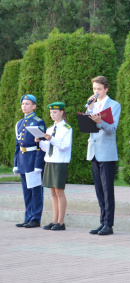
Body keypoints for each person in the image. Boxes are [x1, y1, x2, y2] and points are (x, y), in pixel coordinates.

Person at [86, 76, 121, 236]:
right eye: (94, 89)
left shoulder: (114, 105)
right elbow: (87, 124)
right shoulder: (92, 105)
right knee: (99, 189)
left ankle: (109, 224)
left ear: (106, 89)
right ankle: (102, 222)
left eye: (99, 89)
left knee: (108, 189)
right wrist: (88, 110)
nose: (96, 92)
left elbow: (112, 128)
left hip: (106, 151)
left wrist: (100, 122)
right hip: (93, 150)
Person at [37, 102, 72, 231]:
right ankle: (54, 220)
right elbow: (47, 148)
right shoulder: (50, 128)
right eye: (51, 113)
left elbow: (64, 146)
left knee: (59, 191)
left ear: (62, 112)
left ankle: (61, 222)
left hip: (60, 162)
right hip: (50, 161)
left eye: (55, 112)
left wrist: (51, 139)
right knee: (52, 192)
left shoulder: (67, 128)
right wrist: (40, 141)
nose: (53, 115)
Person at [13, 94, 46, 228]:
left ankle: (36, 218)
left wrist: (39, 164)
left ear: (34, 106)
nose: (24, 106)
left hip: (33, 159)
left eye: (27, 104)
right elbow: (17, 144)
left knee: (35, 191)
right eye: (23, 104)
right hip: (22, 158)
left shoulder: (38, 122)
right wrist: (16, 163)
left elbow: (41, 144)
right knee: (26, 191)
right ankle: (28, 217)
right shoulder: (19, 123)